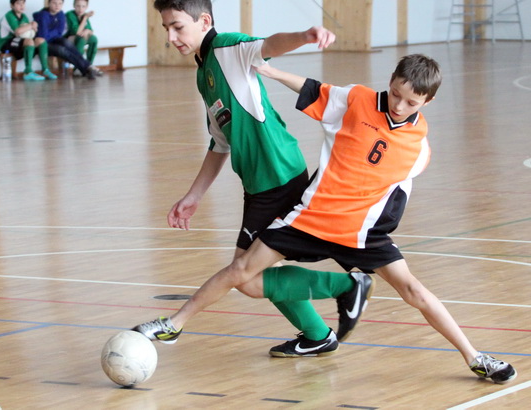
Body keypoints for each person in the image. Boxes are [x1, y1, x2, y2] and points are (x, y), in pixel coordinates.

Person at [134, 54, 517, 384]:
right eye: (396, 94)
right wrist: (270, 72)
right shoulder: (356, 100)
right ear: (390, 81)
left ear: (428, 101)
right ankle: (174, 324)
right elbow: (313, 89)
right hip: (312, 216)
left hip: (360, 231)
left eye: (411, 102)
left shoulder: (420, 147)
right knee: (242, 272)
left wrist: (381, 229)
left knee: (413, 291)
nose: (399, 106)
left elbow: (397, 193)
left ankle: (475, 357)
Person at [129, 0, 377, 350]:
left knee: (244, 275)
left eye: (177, 26)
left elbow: (267, 45)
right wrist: (193, 196)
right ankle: (317, 335)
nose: (170, 37)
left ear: (204, 21)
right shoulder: (204, 73)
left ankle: (345, 286)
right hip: (260, 183)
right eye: (166, 28)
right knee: (259, 269)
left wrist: (305, 36)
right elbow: (220, 142)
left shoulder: (227, 48)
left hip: (278, 175)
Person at [33, 0, 99, 80]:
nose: (57, 6)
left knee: (67, 43)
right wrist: (55, 32)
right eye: (54, 3)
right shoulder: (44, 15)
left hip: (55, 39)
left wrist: (54, 32)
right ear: (49, 3)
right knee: (62, 50)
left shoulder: (60, 14)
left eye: (60, 3)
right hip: (44, 44)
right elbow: (44, 35)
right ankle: (86, 69)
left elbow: (59, 32)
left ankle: (87, 67)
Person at [0, 0, 51, 81]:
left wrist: (34, 27)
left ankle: (45, 69)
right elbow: (18, 31)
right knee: (29, 41)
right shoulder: (9, 16)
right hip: (5, 43)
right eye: (18, 3)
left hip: (17, 41)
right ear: (12, 5)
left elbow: (29, 32)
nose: (21, 6)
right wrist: (31, 25)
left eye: (23, 3)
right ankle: (28, 72)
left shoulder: (24, 16)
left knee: (40, 40)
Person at [65, 0, 102, 76]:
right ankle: (78, 67)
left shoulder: (84, 15)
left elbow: (91, 31)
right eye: (78, 6)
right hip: (68, 39)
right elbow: (77, 32)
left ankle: (89, 65)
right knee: (82, 38)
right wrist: (85, 18)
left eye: (83, 6)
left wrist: (87, 31)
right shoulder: (70, 14)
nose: (80, 9)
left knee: (94, 39)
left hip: (79, 38)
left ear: (86, 7)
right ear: (74, 5)